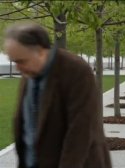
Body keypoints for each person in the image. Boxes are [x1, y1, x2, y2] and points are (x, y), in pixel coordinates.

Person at [3, 22, 112, 168]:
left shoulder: (76, 70)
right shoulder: (29, 71)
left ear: (41, 52)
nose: (17, 68)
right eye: (13, 61)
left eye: (21, 61)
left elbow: (80, 132)